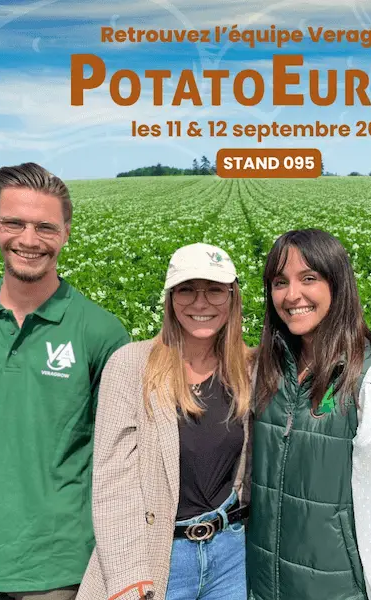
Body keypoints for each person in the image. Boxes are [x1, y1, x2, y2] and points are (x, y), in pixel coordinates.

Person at [0, 163, 129, 600]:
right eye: (14, 223)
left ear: (67, 231)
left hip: (59, 569)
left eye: (45, 227)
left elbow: (120, 457)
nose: (28, 240)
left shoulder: (102, 332)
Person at [246, 229, 371, 600]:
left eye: (308, 278)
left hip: (336, 589)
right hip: (265, 586)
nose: (292, 295)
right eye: (280, 282)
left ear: (337, 284)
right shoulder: (269, 369)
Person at [78, 242, 252, 600]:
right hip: (159, 557)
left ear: (233, 297)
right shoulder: (130, 366)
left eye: (215, 291)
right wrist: (128, 577)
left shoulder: (250, 368)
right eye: (186, 290)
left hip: (231, 556)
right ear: (170, 299)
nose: (200, 303)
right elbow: (113, 483)